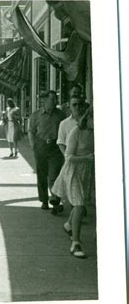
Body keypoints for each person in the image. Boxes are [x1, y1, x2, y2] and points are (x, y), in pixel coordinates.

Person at [51, 108, 94, 258]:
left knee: (80, 204)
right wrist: (88, 157)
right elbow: (68, 157)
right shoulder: (76, 132)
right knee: (79, 206)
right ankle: (75, 243)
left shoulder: (96, 133)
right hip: (73, 171)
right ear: (88, 118)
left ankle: (69, 224)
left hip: (86, 172)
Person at [28, 90, 67, 214]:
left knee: (54, 175)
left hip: (55, 148)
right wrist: (33, 145)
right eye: (52, 99)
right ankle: (44, 200)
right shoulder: (36, 115)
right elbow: (31, 131)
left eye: (55, 99)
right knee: (42, 175)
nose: (55, 101)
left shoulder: (60, 115)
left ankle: (55, 200)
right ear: (44, 101)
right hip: (41, 147)